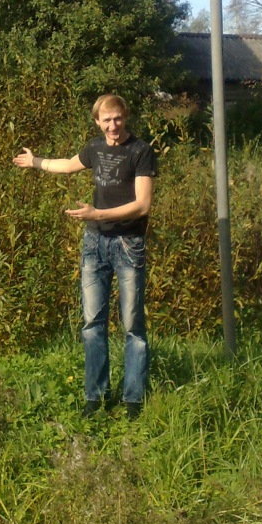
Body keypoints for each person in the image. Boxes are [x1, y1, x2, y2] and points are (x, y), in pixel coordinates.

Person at [13, 93, 156, 418]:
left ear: (125, 117)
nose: (113, 125)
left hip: (128, 244)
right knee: (92, 323)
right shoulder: (95, 147)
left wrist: (98, 214)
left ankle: (133, 400)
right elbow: (67, 165)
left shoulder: (140, 151)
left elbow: (143, 205)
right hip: (94, 244)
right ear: (97, 122)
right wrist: (36, 162)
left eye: (117, 118)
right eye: (106, 120)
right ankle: (96, 397)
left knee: (132, 324)